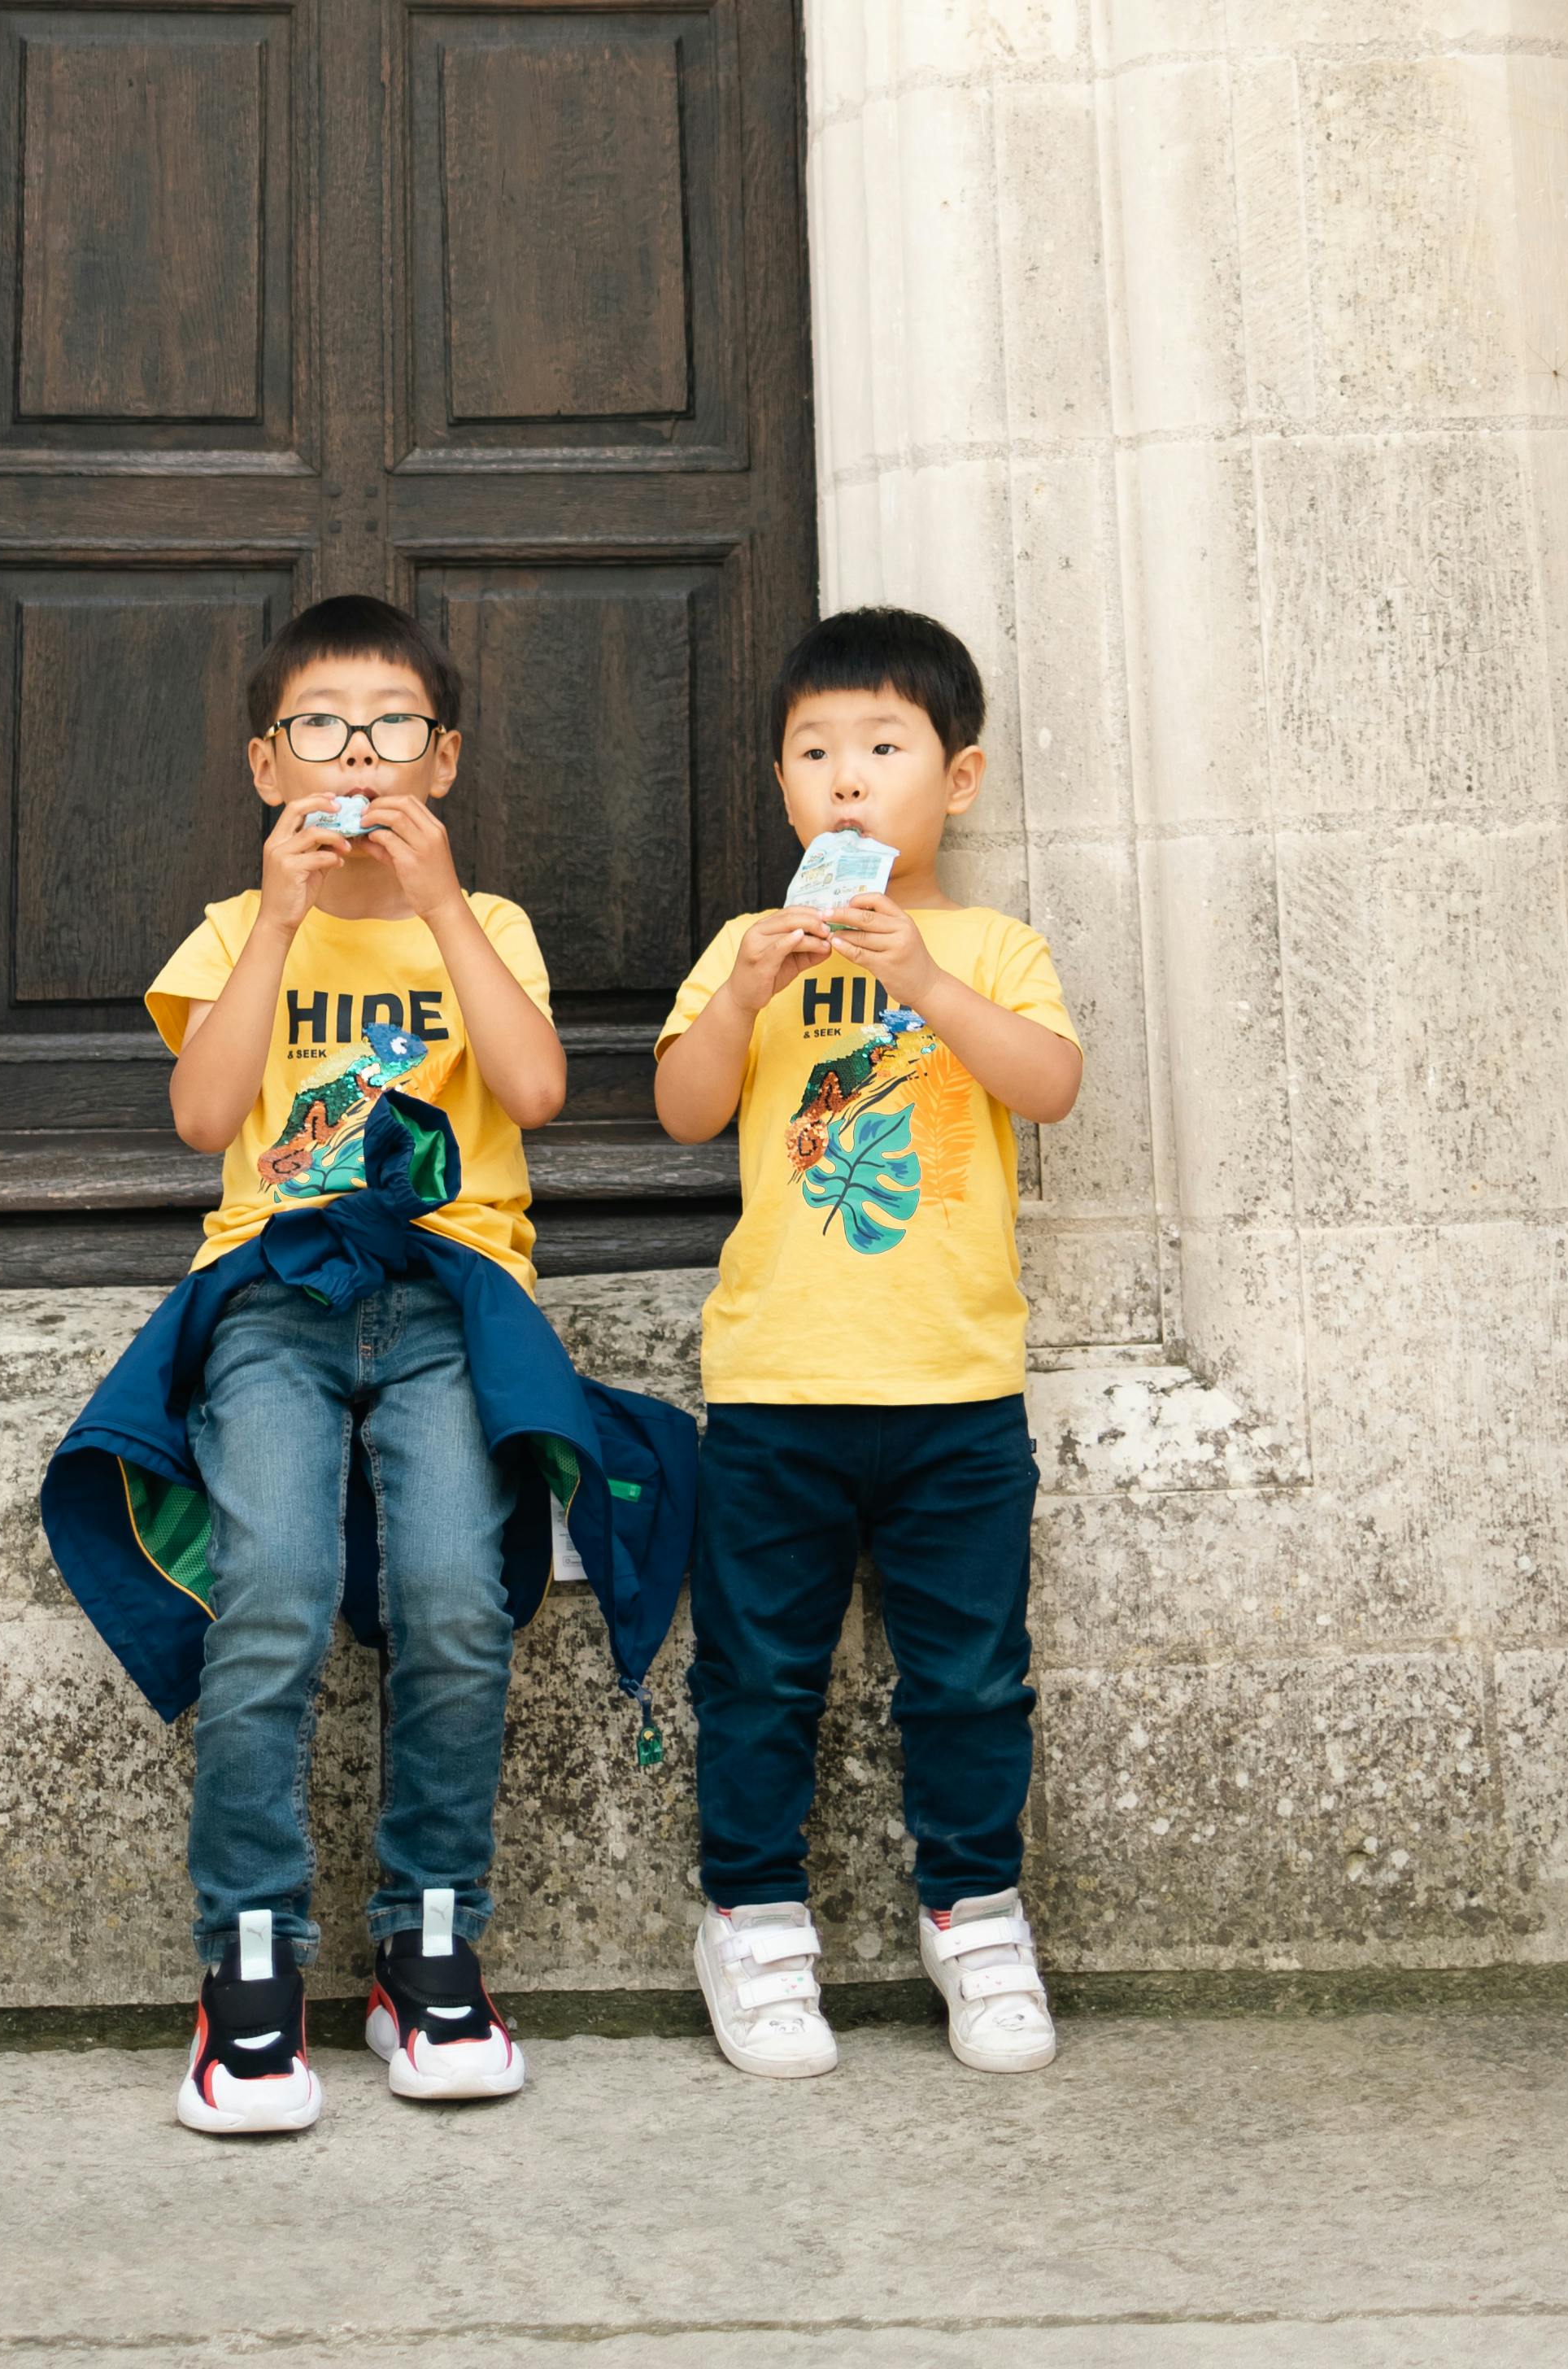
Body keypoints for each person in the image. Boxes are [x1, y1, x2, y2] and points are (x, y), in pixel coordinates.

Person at [149, 593, 564, 2131]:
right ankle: (247, 1965)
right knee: (272, 1596)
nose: (358, 755)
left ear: (440, 762)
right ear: (270, 766)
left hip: (453, 1295)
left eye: (392, 727)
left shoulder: (490, 927)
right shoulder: (230, 929)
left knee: (458, 1595)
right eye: (323, 727)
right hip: (272, 1298)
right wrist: (274, 919)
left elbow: (534, 1084)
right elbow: (205, 1122)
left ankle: (429, 1944)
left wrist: (446, 909)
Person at [655, 604, 1082, 2079]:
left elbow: (1049, 1086)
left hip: (957, 1388)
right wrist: (752, 993)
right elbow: (686, 1109)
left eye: (883, 750)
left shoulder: (989, 945)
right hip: (777, 1384)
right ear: (782, 787)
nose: (847, 781)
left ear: (955, 782)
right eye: (816, 753)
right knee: (761, 1674)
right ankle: (756, 1920)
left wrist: (924, 982)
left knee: (968, 1673)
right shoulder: (745, 948)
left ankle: (975, 1913)